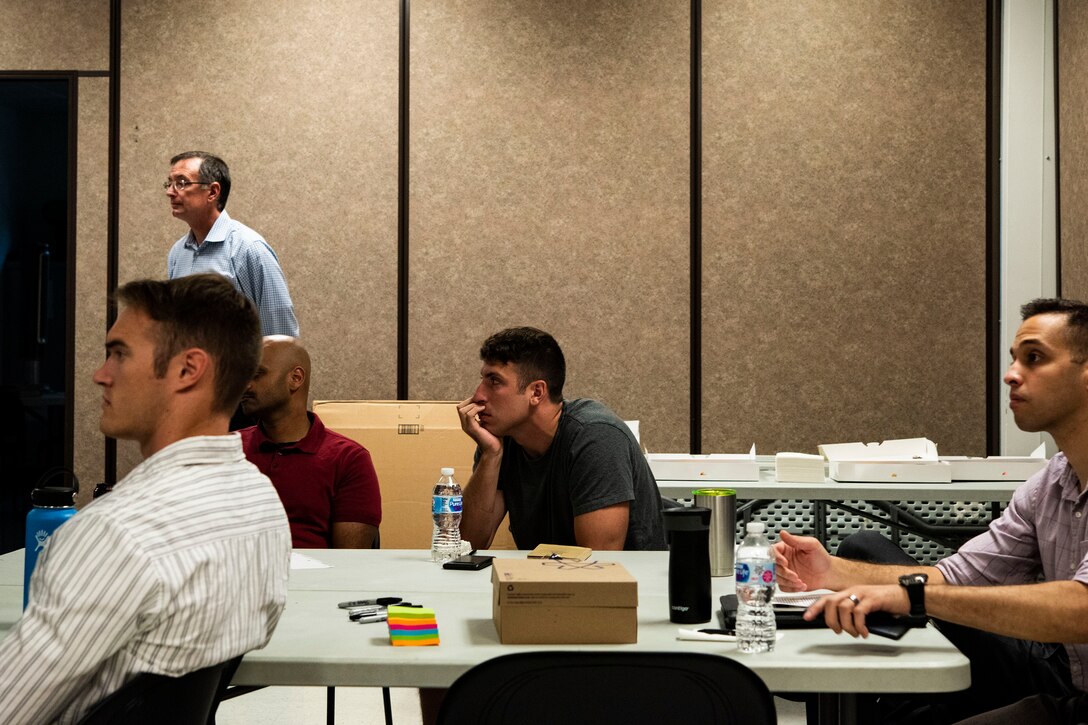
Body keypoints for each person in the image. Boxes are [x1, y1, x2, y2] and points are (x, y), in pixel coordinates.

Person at [774, 298, 1088, 723]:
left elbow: (1081, 610)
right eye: (1015, 359)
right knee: (863, 547)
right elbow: (957, 576)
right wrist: (829, 572)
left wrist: (911, 597)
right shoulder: (1051, 481)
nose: (1011, 374)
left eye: (1035, 358)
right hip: (1062, 672)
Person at [0, 274, 291, 724]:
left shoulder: (114, 533)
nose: (100, 375)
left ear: (187, 370)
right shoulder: (261, 506)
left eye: (119, 354)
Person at [456, 326, 666, 551]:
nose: (478, 395)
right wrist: (491, 455)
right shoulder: (502, 441)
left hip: (626, 583)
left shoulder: (596, 437)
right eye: (483, 379)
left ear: (536, 392)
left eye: (494, 381)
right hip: (550, 579)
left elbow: (599, 563)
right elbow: (469, 544)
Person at [240, 336, 381, 548]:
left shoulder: (348, 459)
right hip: (235, 577)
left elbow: (351, 565)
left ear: (296, 378)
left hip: (313, 580)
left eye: (257, 374)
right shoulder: (227, 450)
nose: (246, 385)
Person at [165, 150, 299, 337]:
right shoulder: (178, 253)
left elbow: (280, 333)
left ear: (212, 192)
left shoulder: (249, 248)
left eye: (181, 183)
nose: (170, 192)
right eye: (169, 183)